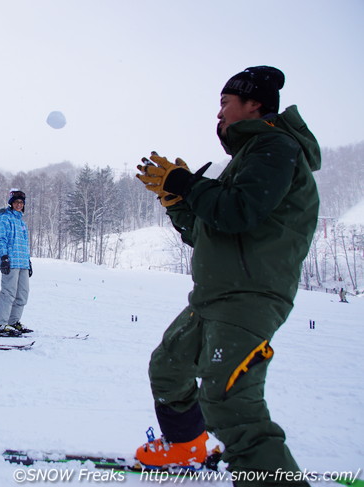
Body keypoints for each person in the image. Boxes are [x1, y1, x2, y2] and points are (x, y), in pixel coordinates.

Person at [135, 66, 320, 485]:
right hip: (215, 297)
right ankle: (187, 448)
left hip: (248, 299)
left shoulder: (275, 146)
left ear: (254, 104)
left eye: (224, 104)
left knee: (230, 406)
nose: (217, 115)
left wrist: (184, 181)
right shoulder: (248, 160)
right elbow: (210, 231)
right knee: (168, 369)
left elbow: (237, 211)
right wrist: (177, 199)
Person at [0, 189, 33, 336]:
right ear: (11, 203)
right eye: (16, 202)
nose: (19, 205)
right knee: (8, 293)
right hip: (12, 262)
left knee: (22, 294)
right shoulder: (4, 218)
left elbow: (25, 243)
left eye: (21, 203)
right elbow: (0, 239)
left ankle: (13, 322)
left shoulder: (21, 222)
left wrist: (28, 262)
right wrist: (4, 257)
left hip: (23, 264)